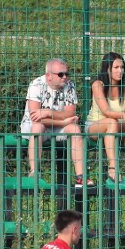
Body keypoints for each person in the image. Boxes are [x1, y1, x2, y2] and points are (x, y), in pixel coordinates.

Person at [21, 58, 94, 188]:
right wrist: (63, 121)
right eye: (60, 74)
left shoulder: (70, 85)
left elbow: (70, 113)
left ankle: (80, 176)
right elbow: (35, 118)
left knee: (75, 129)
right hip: (34, 126)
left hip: (57, 125)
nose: (65, 77)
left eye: (67, 74)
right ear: (48, 76)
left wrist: (48, 112)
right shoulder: (36, 85)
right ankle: (34, 172)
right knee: (38, 127)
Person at [85, 52, 125, 182]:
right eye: (116, 68)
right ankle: (113, 167)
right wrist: (124, 115)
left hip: (118, 124)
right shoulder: (98, 85)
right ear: (107, 68)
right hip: (95, 125)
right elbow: (106, 111)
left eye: (122, 67)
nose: (120, 71)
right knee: (111, 122)